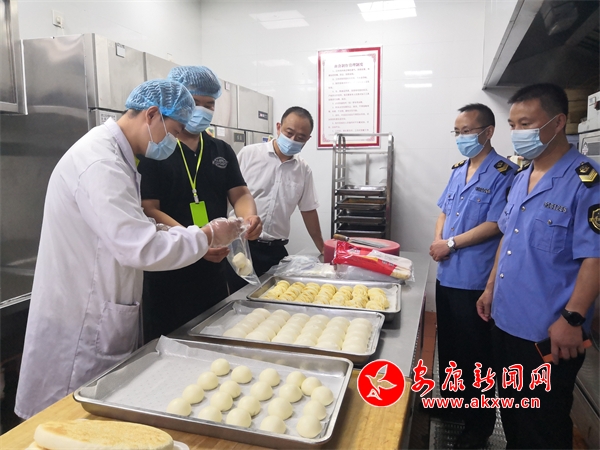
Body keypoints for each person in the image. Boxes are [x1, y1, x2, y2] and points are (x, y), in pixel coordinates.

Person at [15, 80, 243, 419]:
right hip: (83, 322)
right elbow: (139, 247)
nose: (174, 142)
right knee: (66, 421)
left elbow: (134, 225)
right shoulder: (101, 163)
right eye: (173, 132)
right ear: (152, 115)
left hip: (100, 306)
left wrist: (187, 234)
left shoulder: (117, 156)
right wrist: (207, 235)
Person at [477, 83, 599, 449]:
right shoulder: (521, 178)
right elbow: (507, 238)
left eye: (526, 124)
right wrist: (490, 288)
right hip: (505, 321)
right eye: (513, 125)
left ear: (557, 122)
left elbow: (595, 256)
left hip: (549, 332)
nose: (517, 133)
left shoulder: (586, 182)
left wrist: (573, 319)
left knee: (543, 425)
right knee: (514, 413)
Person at [138, 66, 261, 342]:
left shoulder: (220, 150)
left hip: (213, 269)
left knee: (212, 337)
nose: (202, 110)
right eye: (195, 102)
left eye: (209, 104)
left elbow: (240, 193)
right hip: (169, 270)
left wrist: (249, 218)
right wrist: (195, 241)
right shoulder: (156, 149)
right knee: (169, 345)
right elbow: (149, 208)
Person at [429, 103, 518, 449]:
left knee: (476, 357)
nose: (461, 138)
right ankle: (453, 405)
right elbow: (443, 210)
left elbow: (496, 224)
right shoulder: (459, 170)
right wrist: (439, 238)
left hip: (474, 281)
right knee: (450, 350)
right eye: (458, 132)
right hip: (447, 276)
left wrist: (450, 243)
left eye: (467, 131)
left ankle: (478, 427)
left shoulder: (504, 174)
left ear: (488, 132)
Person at [233, 106, 324, 283]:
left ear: (308, 139)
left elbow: (308, 210)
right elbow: (228, 195)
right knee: (237, 296)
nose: (293, 140)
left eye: (301, 138)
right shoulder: (249, 154)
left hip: (275, 250)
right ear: (278, 127)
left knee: (275, 295)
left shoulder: (303, 170)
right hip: (241, 247)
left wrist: (322, 247)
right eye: (289, 133)